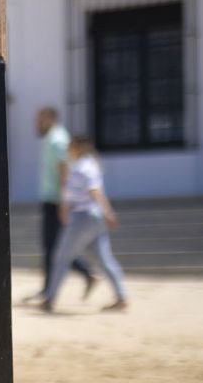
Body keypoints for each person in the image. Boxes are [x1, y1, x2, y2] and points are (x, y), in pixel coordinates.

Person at [43, 135, 129, 312]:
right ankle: (121, 296)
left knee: (61, 257)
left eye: (70, 147)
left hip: (83, 217)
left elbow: (94, 191)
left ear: (77, 148)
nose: (67, 150)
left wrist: (109, 212)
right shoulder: (84, 165)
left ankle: (50, 298)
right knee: (103, 259)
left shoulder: (84, 167)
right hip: (92, 218)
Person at [29, 106, 93, 303]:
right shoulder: (53, 138)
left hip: (56, 202)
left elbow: (64, 171)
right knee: (54, 246)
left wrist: (63, 202)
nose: (36, 123)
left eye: (39, 118)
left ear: (48, 118)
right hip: (54, 200)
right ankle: (51, 288)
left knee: (53, 246)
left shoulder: (57, 139)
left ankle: (50, 290)